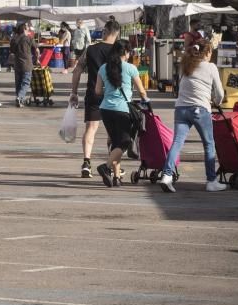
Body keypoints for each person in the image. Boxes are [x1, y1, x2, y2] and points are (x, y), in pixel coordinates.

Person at [159, 38, 227, 193]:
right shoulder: (210, 67)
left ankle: (167, 175)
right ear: (208, 52)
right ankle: (211, 181)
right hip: (200, 109)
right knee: (209, 144)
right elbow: (219, 93)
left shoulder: (186, 66)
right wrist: (217, 101)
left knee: (177, 142)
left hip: (181, 109)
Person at [94, 39, 149, 187]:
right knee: (124, 142)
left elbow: (98, 91)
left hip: (105, 109)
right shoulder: (130, 68)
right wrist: (147, 102)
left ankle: (117, 177)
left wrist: (110, 92)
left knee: (115, 143)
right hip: (122, 110)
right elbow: (142, 91)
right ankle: (105, 167)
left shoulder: (103, 68)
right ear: (125, 52)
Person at [70, 20, 121, 178]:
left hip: (93, 93)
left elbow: (77, 70)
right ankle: (112, 165)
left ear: (105, 31)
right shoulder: (119, 51)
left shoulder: (90, 49)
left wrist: (74, 92)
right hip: (113, 96)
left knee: (90, 129)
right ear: (117, 33)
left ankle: (86, 162)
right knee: (113, 131)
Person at [9, 22, 39, 107]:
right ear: (24, 29)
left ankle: (20, 101)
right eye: (27, 28)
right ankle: (20, 97)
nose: (28, 29)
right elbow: (36, 50)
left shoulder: (14, 39)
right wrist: (37, 59)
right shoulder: (29, 38)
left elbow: (11, 51)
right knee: (26, 82)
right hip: (27, 64)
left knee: (18, 83)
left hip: (17, 63)